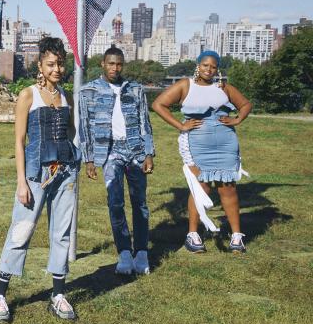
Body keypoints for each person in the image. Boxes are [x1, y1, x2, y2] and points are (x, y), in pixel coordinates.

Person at [0, 37, 79, 323]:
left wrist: (75, 164)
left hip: (65, 173)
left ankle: (58, 294)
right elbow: (18, 141)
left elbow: (71, 132)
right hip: (35, 174)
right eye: (51, 64)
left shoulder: (66, 96)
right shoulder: (28, 95)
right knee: (22, 230)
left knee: (62, 233)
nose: (56, 69)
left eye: (60, 64)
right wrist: (21, 182)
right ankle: (0, 295)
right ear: (39, 65)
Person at [152, 50, 252, 253]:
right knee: (201, 187)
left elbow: (245, 105)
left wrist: (237, 119)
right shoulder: (185, 85)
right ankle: (193, 235)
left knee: (228, 187)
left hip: (226, 144)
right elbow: (158, 104)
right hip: (196, 143)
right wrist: (180, 125)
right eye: (206, 65)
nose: (209, 69)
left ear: (217, 69)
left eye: (213, 66)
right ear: (198, 65)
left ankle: (236, 237)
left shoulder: (223, 87)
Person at [78, 46, 156, 276]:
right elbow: (85, 127)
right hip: (109, 151)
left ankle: (141, 252)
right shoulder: (89, 91)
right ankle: (124, 252)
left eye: (119, 64)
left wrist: (149, 152)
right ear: (103, 64)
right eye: (111, 63)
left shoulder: (135, 89)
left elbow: (145, 121)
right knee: (115, 202)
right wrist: (89, 158)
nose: (115, 68)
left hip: (135, 150)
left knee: (139, 202)